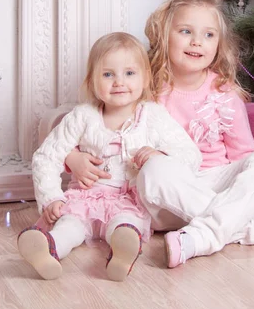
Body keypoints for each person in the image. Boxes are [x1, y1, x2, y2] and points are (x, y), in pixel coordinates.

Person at [65, 0, 254, 269]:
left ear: (219, 44)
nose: (197, 42)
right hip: (165, 199)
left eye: (208, 34)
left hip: (216, 185)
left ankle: (202, 236)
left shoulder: (224, 94)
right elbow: (92, 122)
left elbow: (244, 154)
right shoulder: (144, 86)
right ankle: (253, 228)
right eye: (185, 31)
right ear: (164, 34)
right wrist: (72, 158)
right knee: (155, 170)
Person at [17, 32, 201, 281]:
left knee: (125, 223)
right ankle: (49, 249)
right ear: (92, 81)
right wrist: (51, 198)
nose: (119, 82)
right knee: (70, 224)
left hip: (129, 199)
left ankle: (122, 254)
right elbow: (46, 156)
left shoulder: (153, 116)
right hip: (85, 196)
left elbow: (190, 154)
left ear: (145, 78)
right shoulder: (82, 116)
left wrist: (160, 155)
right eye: (108, 74)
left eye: (129, 73)